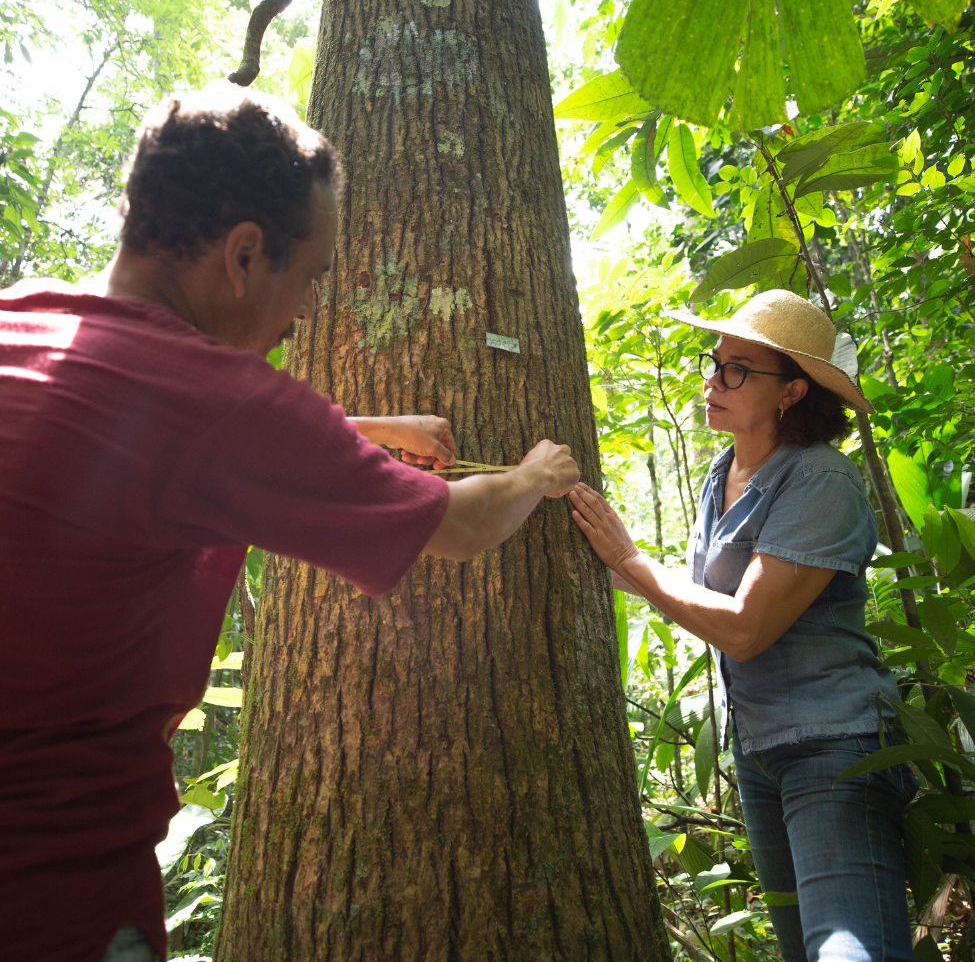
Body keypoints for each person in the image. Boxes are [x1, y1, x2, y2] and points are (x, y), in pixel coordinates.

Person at [0, 83, 579, 962]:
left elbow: (135, 437)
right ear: (241, 255)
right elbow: (462, 524)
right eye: (308, 278)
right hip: (53, 896)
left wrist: (360, 430)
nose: (306, 310)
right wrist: (534, 474)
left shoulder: (23, 317)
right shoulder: (222, 405)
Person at [569, 290, 917, 962]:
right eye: (713, 362)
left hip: (834, 744)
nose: (711, 381)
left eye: (736, 369)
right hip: (759, 749)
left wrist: (626, 557)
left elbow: (742, 628)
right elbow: (693, 594)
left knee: (846, 950)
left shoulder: (820, 477)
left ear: (790, 390)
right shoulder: (720, 472)